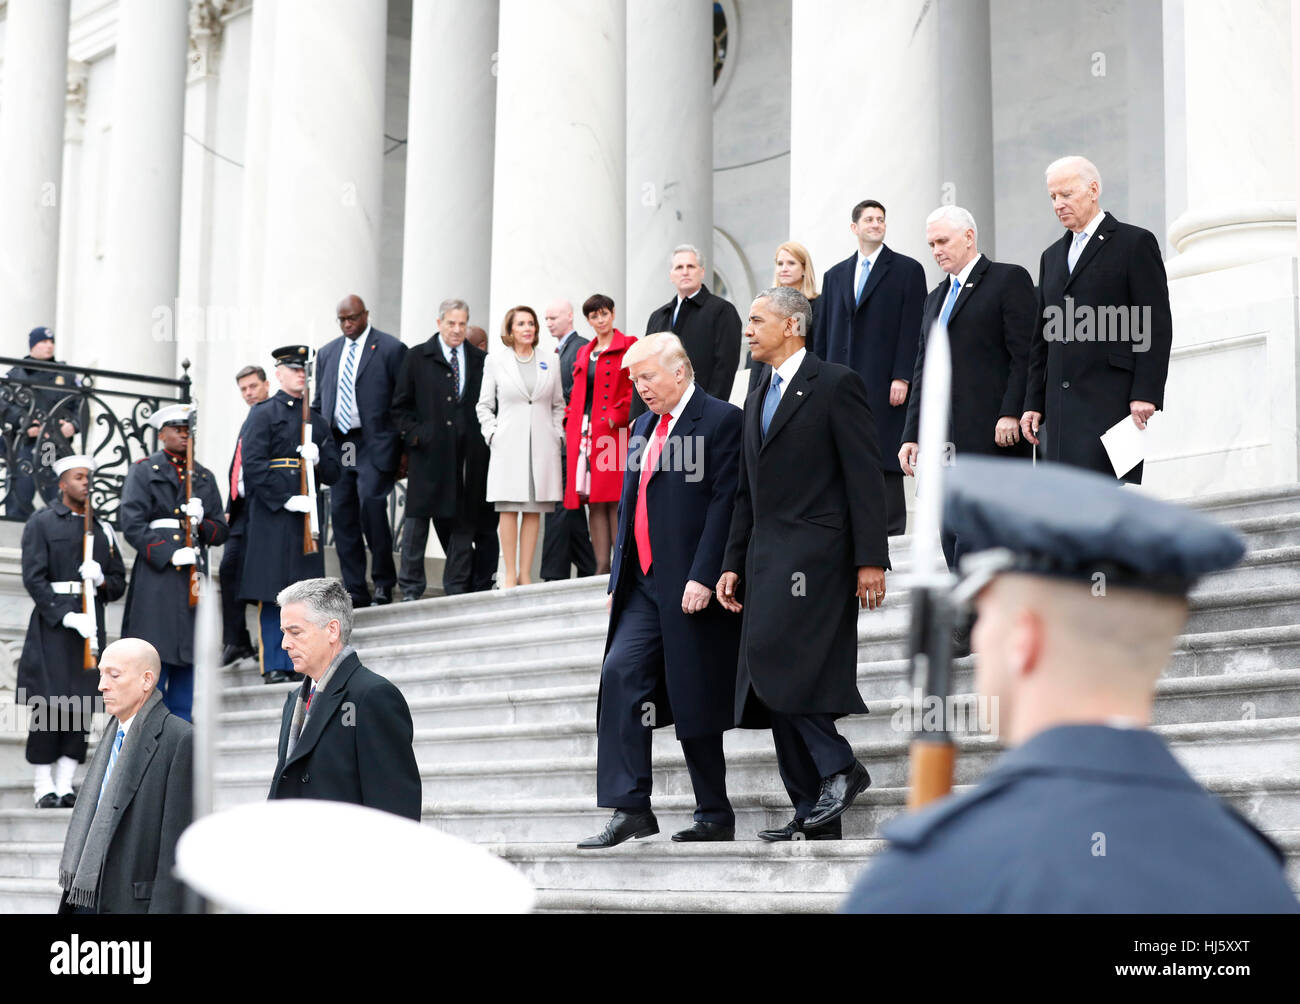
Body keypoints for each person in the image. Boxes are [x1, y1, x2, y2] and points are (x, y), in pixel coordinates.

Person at [844, 457, 1300, 913]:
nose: (979, 638)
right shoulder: (1252, 874)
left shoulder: (925, 878)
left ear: (1025, 639)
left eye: (984, 618)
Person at [717, 287, 890, 840]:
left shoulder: (836, 384)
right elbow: (747, 490)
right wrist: (731, 561)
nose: (747, 329)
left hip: (818, 559)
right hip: (765, 558)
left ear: (793, 325)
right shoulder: (756, 392)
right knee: (766, 678)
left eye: (756, 319)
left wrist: (871, 559)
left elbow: (864, 475)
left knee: (780, 666)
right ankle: (813, 808)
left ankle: (840, 766)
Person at [578, 333, 743, 848]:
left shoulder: (720, 420)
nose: (639, 387)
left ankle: (714, 813)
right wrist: (617, 578)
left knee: (693, 694)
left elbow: (727, 502)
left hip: (691, 583)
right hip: (642, 586)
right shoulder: (644, 425)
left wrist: (704, 572)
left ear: (679, 371)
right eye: (634, 378)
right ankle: (631, 807)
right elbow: (630, 508)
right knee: (620, 673)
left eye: (646, 376)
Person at [899, 205, 1035, 572]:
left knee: (978, 535)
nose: (936, 250)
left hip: (991, 435)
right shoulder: (934, 298)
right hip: (942, 442)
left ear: (969, 237)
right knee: (950, 533)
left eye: (942, 241)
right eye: (931, 244)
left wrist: (1010, 411)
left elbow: (1025, 354)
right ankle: (969, 620)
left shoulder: (1008, 280)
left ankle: (968, 622)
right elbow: (922, 368)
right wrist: (911, 434)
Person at [1021, 156, 1173, 483]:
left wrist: (1146, 390)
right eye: (1052, 197)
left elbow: (1155, 323)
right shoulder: (1050, 256)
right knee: (1063, 508)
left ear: (1093, 190)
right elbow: (1041, 339)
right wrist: (1033, 401)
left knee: (1103, 504)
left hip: (1110, 402)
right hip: (1059, 412)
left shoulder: (1134, 243)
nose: (1058, 204)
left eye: (1066, 194)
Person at [17, 455, 125, 808]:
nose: (86, 483)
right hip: (55, 626)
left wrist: (101, 578)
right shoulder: (42, 522)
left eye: (89, 478)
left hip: (90, 626)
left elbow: (118, 584)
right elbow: (34, 577)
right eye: (78, 477)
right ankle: (42, 785)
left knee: (81, 705)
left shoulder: (102, 528)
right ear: (62, 483)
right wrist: (64, 616)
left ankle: (65, 784)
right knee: (49, 706)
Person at [57, 638, 193, 914]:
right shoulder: (112, 734)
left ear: (146, 680)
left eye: (114, 675)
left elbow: (176, 848)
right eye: (101, 674)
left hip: (132, 904)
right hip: (84, 895)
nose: (102, 685)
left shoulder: (180, 738)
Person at [267, 578, 421, 820]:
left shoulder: (373, 696)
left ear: (332, 630)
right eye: (284, 633)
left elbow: (395, 810)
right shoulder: (296, 699)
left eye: (295, 632)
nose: (285, 644)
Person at [815, 200, 926, 536]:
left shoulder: (907, 270)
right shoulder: (834, 276)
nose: (876, 224)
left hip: (885, 380)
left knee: (884, 454)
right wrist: (818, 377)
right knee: (844, 453)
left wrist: (902, 375)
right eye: (869, 219)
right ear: (855, 228)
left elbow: (913, 328)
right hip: (840, 381)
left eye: (881, 219)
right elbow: (823, 332)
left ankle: (891, 531)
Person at [238, 346, 342, 683]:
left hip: (305, 517)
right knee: (273, 592)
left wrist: (319, 458)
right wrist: (284, 499)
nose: (301, 375)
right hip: (273, 516)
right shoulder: (263, 414)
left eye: (304, 370)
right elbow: (253, 468)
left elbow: (335, 472)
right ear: (279, 374)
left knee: (305, 594)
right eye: (294, 369)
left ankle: (301, 662)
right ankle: (273, 664)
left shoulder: (316, 419)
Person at [119, 404, 229, 722]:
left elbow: (220, 530)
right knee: (154, 660)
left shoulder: (204, 476)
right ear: (161, 434)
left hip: (193, 576)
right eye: (177, 429)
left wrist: (202, 521)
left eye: (187, 430)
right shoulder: (144, 470)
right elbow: (132, 522)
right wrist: (168, 552)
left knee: (189, 662)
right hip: (158, 578)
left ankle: (180, 743)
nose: (183, 435)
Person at [392, 298, 497, 597]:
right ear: (439, 324)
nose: (457, 329)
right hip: (427, 454)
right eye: (451, 323)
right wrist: (418, 436)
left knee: (463, 524)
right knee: (417, 521)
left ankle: (456, 587)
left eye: (462, 324)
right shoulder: (417, 357)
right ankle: (411, 588)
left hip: (468, 458)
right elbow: (400, 408)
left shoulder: (479, 360)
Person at [313, 294, 408, 607]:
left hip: (373, 442)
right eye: (342, 319)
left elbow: (402, 403)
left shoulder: (390, 349)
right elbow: (318, 403)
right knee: (342, 513)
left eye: (352, 318)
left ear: (366, 315)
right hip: (343, 444)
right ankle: (355, 588)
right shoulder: (327, 353)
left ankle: (383, 581)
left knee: (371, 505)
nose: (347, 324)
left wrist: (402, 450)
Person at [476, 305, 566, 588]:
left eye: (531, 323)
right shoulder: (496, 361)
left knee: (532, 508)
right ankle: (510, 574)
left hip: (541, 445)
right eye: (521, 324)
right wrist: (493, 434)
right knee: (508, 508)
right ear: (510, 330)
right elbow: (484, 405)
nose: (528, 328)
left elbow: (558, 404)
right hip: (508, 445)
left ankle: (526, 574)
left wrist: (556, 434)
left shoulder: (550, 360)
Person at [564, 294, 636, 575]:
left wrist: (617, 416)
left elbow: (636, 386)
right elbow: (578, 391)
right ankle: (601, 566)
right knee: (594, 501)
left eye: (604, 314)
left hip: (614, 433)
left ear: (613, 314)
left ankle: (621, 564)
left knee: (616, 499)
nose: (600, 320)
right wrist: (570, 417)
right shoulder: (585, 352)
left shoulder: (629, 345)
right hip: (585, 433)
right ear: (588, 321)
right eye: (594, 316)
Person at [636, 245, 741, 420]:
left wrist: (710, 412)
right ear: (671, 275)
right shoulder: (658, 316)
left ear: (702, 271)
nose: (685, 272)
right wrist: (639, 416)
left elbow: (725, 367)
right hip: (658, 414)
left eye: (690, 266)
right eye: (679, 267)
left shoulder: (722, 310)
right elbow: (642, 365)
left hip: (701, 412)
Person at [539, 299, 597, 581]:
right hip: (557, 439)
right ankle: (588, 566)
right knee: (567, 507)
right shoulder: (558, 350)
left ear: (570, 317)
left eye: (554, 316)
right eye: (546, 318)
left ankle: (553, 574)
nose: (548, 322)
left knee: (559, 504)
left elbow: (575, 392)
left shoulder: (581, 347)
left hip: (571, 437)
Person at [3, 327, 82, 519]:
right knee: (20, 489)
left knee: (55, 491)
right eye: (43, 342)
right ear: (33, 346)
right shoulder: (16, 374)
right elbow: (3, 406)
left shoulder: (66, 374)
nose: (49, 346)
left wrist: (72, 425)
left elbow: (79, 405)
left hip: (51, 444)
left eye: (51, 342)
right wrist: (25, 424)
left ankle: (59, 530)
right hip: (25, 442)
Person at [219, 365, 270, 666]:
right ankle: (236, 639)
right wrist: (229, 504)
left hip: (264, 509)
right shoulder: (251, 417)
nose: (249, 393)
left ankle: (269, 650)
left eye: (253, 386)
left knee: (257, 574)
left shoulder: (273, 413)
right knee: (228, 568)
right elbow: (239, 466)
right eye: (243, 389)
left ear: (266, 385)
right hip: (240, 510)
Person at [747, 241, 824, 396]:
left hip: (802, 381)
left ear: (804, 268)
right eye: (780, 263)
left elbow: (812, 345)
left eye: (791, 263)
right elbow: (758, 347)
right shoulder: (765, 304)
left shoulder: (817, 305)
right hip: (767, 378)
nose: (784, 269)